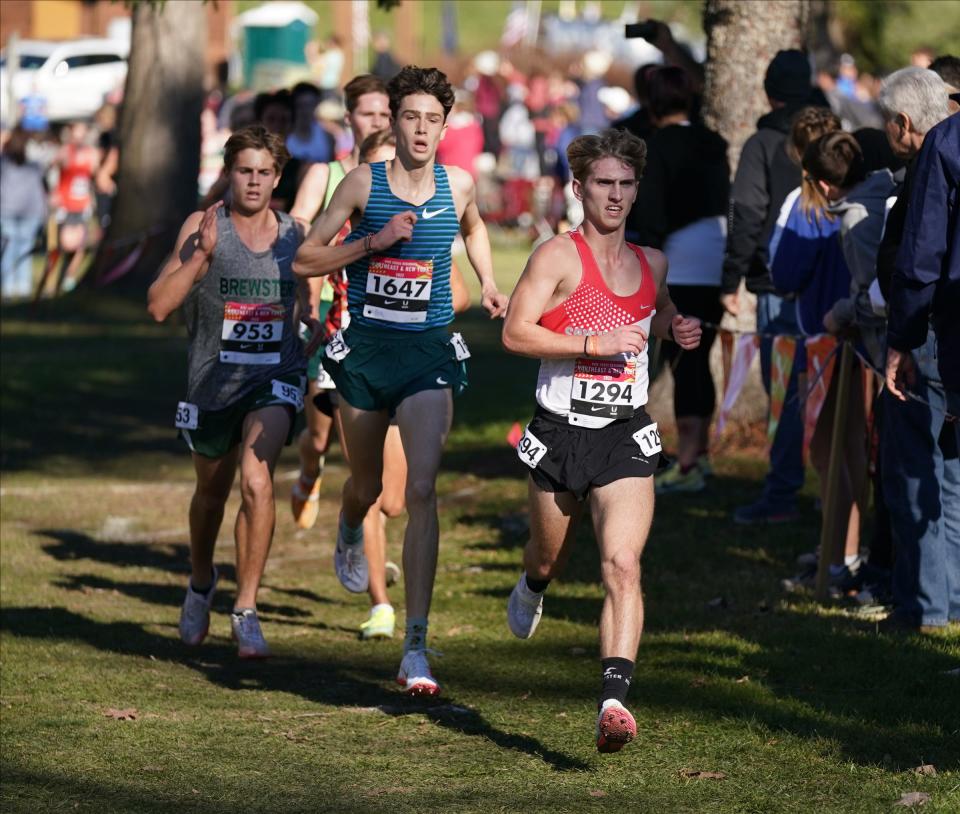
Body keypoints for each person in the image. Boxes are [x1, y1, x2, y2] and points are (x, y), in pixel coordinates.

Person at [293, 66, 508, 695]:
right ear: (393, 119)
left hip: (428, 354)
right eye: (408, 116)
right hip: (364, 355)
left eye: (431, 118)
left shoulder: (459, 184)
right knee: (363, 484)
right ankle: (346, 524)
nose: (419, 128)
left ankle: (415, 645)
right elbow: (306, 256)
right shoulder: (363, 184)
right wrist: (372, 244)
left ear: (445, 125)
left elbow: (474, 228)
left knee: (419, 489)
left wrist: (489, 282)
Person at [501, 128, 701, 753]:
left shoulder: (652, 262)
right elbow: (514, 333)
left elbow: (656, 312)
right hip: (560, 432)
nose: (614, 196)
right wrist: (592, 343)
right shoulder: (555, 257)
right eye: (603, 184)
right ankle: (531, 586)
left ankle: (613, 699)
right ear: (580, 188)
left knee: (622, 563)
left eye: (625, 184)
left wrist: (676, 325)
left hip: (624, 433)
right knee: (548, 558)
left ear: (636, 190)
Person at [147, 125, 319, 659]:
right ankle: (202, 580)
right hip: (211, 382)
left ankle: (246, 608)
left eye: (264, 172)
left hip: (274, 378)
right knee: (210, 494)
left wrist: (311, 321)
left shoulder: (297, 233)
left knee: (256, 479)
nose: (254, 182)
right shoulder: (204, 225)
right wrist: (200, 256)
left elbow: (309, 304)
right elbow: (158, 305)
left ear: (278, 176)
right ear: (228, 172)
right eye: (244, 170)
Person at [722, 50, 825, 525]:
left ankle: (784, 493)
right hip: (831, 283)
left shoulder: (764, 143)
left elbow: (746, 214)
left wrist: (731, 278)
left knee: (785, 394)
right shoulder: (831, 134)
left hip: (780, 286)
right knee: (829, 391)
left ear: (769, 91)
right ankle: (832, 494)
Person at [627, 66, 729, 492]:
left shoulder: (657, 146)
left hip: (679, 260)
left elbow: (652, 213)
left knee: (681, 359)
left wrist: (639, 257)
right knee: (698, 357)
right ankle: (698, 454)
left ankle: (687, 461)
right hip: (714, 254)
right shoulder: (713, 141)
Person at [881, 75, 958, 634]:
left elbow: (922, 248)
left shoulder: (945, 144)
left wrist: (903, 337)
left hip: (938, 325)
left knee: (918, 469)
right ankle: (945, 604)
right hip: (939, 326)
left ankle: (928, 607)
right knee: (949, 473)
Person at [0, 126, 47, 300]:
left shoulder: (4, 161)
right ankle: (23, 287)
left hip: (8, 209)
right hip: (29, 211)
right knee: (24, 248)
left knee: (9, 249)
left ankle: (9, 287)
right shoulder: (34, 161)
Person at [287, 82, 335, 164]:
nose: (305, 110)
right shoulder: (283, 136)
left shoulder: (328, 138)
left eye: (310, 105)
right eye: (301, 105)